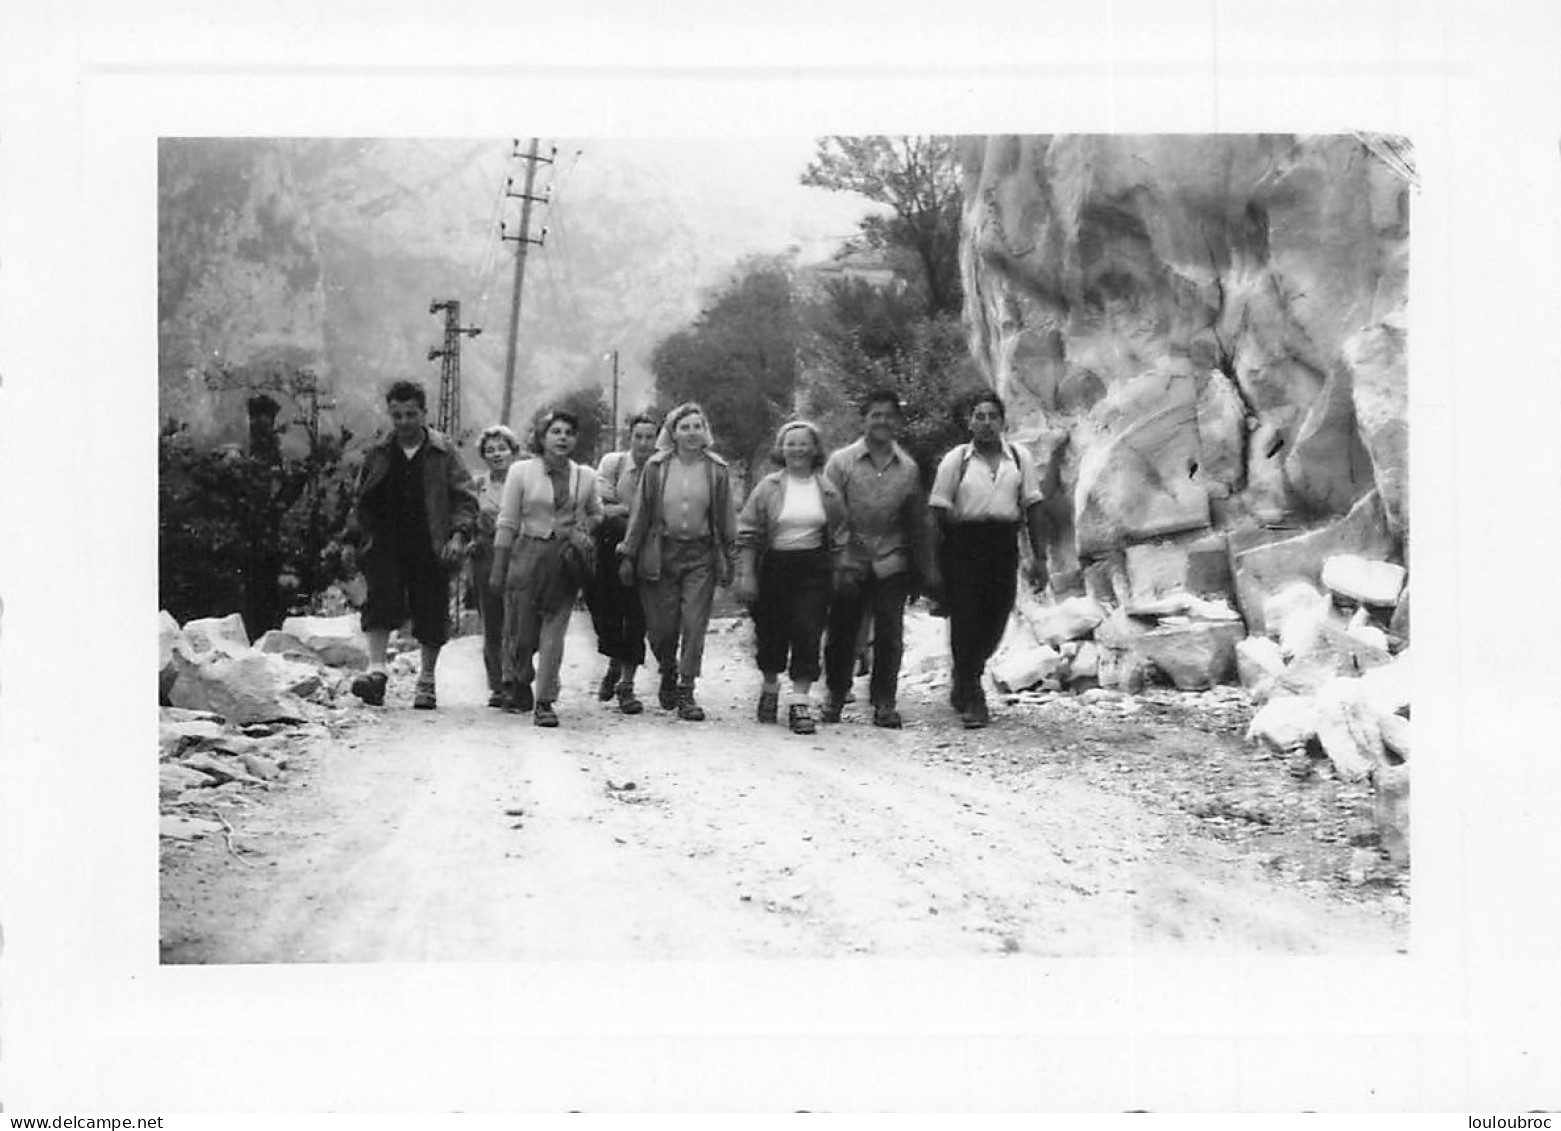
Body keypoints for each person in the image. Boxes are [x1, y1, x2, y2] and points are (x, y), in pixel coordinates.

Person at [345, 380, 478, 710]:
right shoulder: (379, 451)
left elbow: (465, 498)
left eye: (411, 414)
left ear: (424, 413)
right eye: (397, 415)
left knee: (430, 610)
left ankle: (427, 681)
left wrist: (458, 535)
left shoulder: (443, 452)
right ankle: (376, 673)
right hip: (385, 542)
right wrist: (351, 539)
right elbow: (361, 499)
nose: (404, 421)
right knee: (379, 603)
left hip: (430, 543)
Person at [819, 389, 940, 729]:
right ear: (864, 419)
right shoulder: (841, 463)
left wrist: (923, 570)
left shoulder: (908, 468)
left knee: (890, 632)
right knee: (842, 631)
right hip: (849, 560)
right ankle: (836, 695)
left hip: (892, 559)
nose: (883, 421)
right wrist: (839, 557)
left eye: (889, 415)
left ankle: (884, 702)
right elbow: (829, 514)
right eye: (876, 415)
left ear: (898, 421)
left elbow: (915, 522)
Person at [927, 391, 1048, 729]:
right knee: (966, 617)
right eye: (978, 416)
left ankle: (963, 676)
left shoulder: (1019, 458)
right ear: (969, 423)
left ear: (1002, 421)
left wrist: (1040, 557)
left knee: (996, 617)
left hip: (1003, 543)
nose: (986, 423)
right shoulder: (957, 459)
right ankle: (973, 694)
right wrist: (948, 545)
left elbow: (1033, 506)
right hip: (964, 544)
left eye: (992, 416)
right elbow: (938, 505)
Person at [617, 402, 736, 722]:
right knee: (661, 629)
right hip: (660, 554)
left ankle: (686, 689)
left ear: (705, 430)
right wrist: (628, 554)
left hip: (701, 556)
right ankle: (668, 669)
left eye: (698, 426)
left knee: (695, 625)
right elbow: (640, 514)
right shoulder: (656, 467)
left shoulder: (717, 469)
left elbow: (726, 517)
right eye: (685, 427)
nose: (692, 432)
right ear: (673, 432)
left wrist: (731, 556)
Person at [487, 410, 603, 728]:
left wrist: (583, 527)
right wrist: (498, 567)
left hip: (565, 559)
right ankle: (520, 678)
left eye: (568, 432)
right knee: (522, 634)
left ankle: (545, 701)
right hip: (526, 554)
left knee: (554, 631)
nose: (562, 437)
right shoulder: (521, 472)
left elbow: (597, 512)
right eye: (556, 431)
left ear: (575, 439)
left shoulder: (586, 476)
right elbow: (508, 520)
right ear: (542, 437)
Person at [733, 420, 848, 735]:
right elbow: (748, 533)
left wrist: (838, 572)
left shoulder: (826, 489)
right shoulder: (768, 487)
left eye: (803, 443)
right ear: (782, 449)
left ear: (814, 449)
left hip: (812, 567)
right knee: (772, 632)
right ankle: (770, 687)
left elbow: (839, 534)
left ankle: (800, 702)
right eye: (791, 443)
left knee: (808, 630)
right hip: (773, 566)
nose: (797, 449)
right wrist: (746, 574)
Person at [587, 412, 659, 715]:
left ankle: (626, 685)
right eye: (638, 436)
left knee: (637, 616)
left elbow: (663, 511)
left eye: (649, 437)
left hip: (648, 550)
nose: (643, 443)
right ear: (629, 438)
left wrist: (628, 513)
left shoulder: (663, 468)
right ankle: (615, 659)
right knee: (606, 612)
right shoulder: (613, 464)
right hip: (610, 551)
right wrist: (636, 514)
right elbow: (602, 507)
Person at [468, 424, 524, 708]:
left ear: (513, 452)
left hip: (520, 553)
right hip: (486, 555)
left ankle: (517, 677)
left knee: (518, 619)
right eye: (490, 450)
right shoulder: (478, 484)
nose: (496, 454)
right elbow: (466, 515)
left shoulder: (525, 479)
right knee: (492, 620)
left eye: (502, 448)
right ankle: (498, 684)